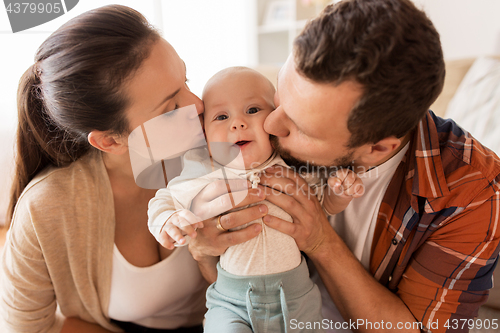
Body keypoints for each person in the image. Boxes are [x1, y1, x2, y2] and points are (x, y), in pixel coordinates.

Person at [0, 5, 266, 333]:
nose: (198, 104)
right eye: (171, 106)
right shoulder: (47, 208)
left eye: (186, 79)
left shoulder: (224, 154)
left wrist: (205, 257)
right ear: (109, 140)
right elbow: (26, 328)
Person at [247, 0, 500, 332]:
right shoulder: (255, 125)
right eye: (280, 96)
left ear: (377, 148)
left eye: (299, 127)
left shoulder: (473, 192)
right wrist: (206, 252)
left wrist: (321, 241)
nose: (269, 125)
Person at [147, 67, 362, 332]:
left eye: (252, 110)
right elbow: (163, 199)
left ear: (275, 121)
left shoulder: (291, 167)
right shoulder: (205, 171)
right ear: (204, 135)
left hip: (297, 297)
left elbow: (322, 207)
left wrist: (339, 192)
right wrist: (166, 220)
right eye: (222, 116)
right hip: (231, 301)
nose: (237, 123)